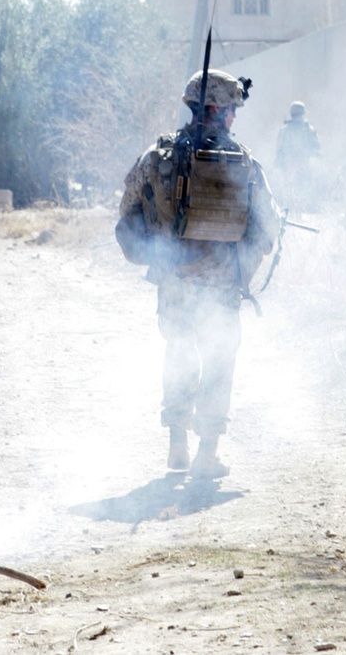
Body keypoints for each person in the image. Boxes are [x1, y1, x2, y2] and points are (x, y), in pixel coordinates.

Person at [115, 69, 282, 479]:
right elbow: (269, 227)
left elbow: (127, 214)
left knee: (180, 354)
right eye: (231, 110)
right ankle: (208, 453)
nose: (233, 119)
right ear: (218, 110)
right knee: (219, 361)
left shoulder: (156, 156)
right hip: (223, 284)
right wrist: (242, 269)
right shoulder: (243, 162)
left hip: (174, 281)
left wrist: (159, 252)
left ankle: (177, 445)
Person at [273, 101, 321, 213]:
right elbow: (316, 147)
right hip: (303, 162)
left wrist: (278, 163)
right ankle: (300, 211)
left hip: (289, 163)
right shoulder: (309, 128)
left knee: (289, 189)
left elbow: (279, 148)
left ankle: (291, 211)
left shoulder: (285, 129)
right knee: (303, 188)